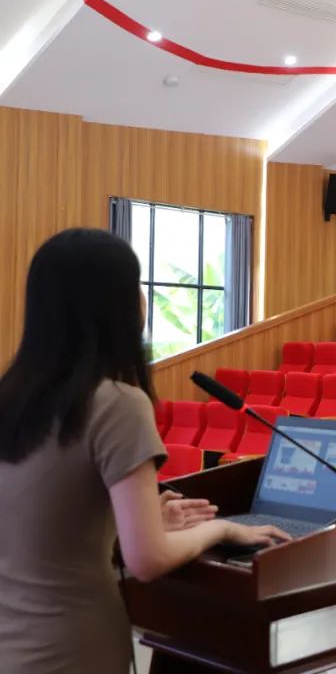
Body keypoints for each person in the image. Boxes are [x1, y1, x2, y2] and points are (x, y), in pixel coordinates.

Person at [0, 229, 288, 673]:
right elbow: (148, 560)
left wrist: (140, 523)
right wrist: (220, 530)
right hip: (70, 650)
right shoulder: (118, 404)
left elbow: (41, 528)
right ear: (117, 305)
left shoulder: (12, 399)